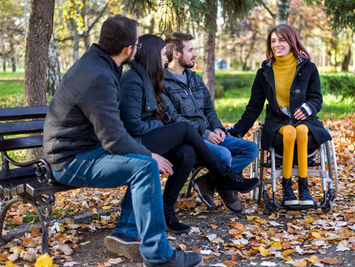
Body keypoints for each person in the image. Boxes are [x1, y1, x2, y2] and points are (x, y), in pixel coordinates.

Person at [43, 15, 202, 267]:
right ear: (128, 49)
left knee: (143, 159)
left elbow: (112, 131)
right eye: (137, 44)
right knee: (145, 165)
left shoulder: (100, 64)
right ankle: (159, 255)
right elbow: (113, 139)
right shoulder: (99, 76)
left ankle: (127, 231)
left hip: (85, 150)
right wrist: (150, 155)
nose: (138, 49)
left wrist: (145, 151)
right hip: (70, 161)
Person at [119, 34, 260, 233]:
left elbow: (209, 110)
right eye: (161, 55)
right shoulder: (133, 81)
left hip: (156, 138)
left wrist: (216, 128)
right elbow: (134, 126)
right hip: (135, 143)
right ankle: (225, 176)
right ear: (152, 55)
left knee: (188, 153)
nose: (165, 59)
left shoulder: (150, 78)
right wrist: (164, 128)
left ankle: (168, 211)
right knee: (186, 131)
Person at [227, 24, 332, 207]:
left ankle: (304, 188)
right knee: (290, 132)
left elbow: (316, 98)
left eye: (282, 40)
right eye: (273, 41)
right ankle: (286, 188)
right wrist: (238, 131)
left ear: (292, 42)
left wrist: (308, 108)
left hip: (306, 122)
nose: (277, 44)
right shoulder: (264, 72)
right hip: (278, 125)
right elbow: (254, 106)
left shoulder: (308, 68)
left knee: (299, 130)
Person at [162, 32, 259, 213]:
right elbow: (174, 119)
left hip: (210, 133)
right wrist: (205, 133)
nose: (195, 54)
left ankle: (209, 182)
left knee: (251, 149)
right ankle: (226, 187)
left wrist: (217, 127)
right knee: (223, 154)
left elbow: (209, 109)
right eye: (190, 50)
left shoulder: (194, 78)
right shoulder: (162, 84)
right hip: (189, 139)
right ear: (176, 53)